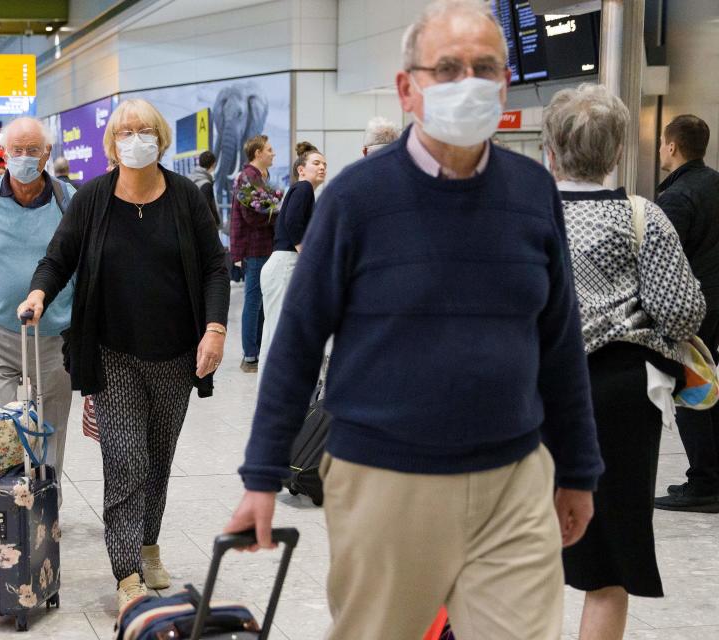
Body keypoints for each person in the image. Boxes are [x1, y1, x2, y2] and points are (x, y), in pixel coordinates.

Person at [225, 2, 604, 638]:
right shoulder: (356, 199)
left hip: (514, 479)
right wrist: (262, 475)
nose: (468, 82)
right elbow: (295, 342)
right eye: (447, 68)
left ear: (505, 83)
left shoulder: (533, 191)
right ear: (408, 87)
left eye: (485, 68)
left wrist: (578, 469)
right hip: (386, 480)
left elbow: (559, 341)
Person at [18, 98, 229, 611]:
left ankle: (149, 545)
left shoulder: (184, 197)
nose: (136, 137)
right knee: (125, 456)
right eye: (126, 130)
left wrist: (216, 328)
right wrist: (39, 293)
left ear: (160, 137)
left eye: (145, 129)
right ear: (112, 144)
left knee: (158, 459)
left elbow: (215, 267)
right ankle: (127, 570)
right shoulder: (93, 199)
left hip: (177, 354)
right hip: (112, 353)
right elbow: (59, 255)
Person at [544, 84, 705, 640]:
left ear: (549, 148)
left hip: (526, 391)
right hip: (615, 395)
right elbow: (683, 312)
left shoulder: (521, 218)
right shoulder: (644, 219)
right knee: (606, 565)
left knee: (513, 554)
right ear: (617, 153)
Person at [0, 117, 76, 485]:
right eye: (17, 150)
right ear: (5, 154)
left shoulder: (67, 198)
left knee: (51, 426)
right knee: (0, 424)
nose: (25, 157)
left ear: (47, 154)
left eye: (33, 150)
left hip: (55, 335)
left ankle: (46, 502)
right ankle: (6, 503)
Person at [653, 114, 719, 513]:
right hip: (717, 298)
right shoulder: (715, 183)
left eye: (663, 143)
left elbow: (664, 261)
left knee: (689, 391)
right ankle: (711, 477)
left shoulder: (677, 197)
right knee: (708, 386)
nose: (661, 149)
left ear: (672, 146)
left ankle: (704, 484)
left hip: (695, 304)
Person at [258, 142, 326, 385]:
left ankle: (269, 392)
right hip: (286, 264)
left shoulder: (301, 190)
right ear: (301, 169)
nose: (322, 168)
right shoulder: (304, 188)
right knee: (279, 333)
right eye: (316, 163)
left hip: (282, 265)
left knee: (273, 332)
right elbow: (293, 222)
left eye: (324, 165)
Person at [229, 134, 276, 373]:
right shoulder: (247, 177)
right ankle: (250, 356)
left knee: (260, 302)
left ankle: (257, 351)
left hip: (264, 246)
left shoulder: (259, 177)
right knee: (253, 300)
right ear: (257, 153)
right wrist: (277, 210)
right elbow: (252, 216)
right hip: (254, 248)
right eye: (269, 149)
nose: (273, 153)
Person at [188, 151, 221, 226]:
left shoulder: (189, 179)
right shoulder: (206, 184)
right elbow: (207, 210)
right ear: (213, 164)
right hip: (204, 227)